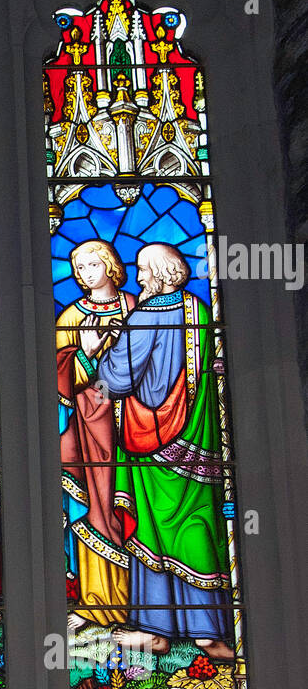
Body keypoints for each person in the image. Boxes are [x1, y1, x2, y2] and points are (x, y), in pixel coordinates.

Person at [88, 242, 233, 659]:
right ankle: (209, 630)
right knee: (197, 526)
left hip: (150, 446)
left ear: (159, 272)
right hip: (201, 445)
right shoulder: (198, 311)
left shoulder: (146, 316)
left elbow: (117, 378)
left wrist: (98, 352)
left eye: (142, 270)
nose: (139, 278)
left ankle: (156, 629)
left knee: (151, 531)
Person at [55, 240, 136, 630]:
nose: (83, 273)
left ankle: (138, 603)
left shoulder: (133, 307)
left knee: (130, 507)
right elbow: (56, 374)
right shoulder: (71, 315)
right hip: (88, 424)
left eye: (90, 265)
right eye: (78, 267)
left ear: (109, 265)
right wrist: (85, 354)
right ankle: (94, 601)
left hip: (134, 424)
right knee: (93, 507)